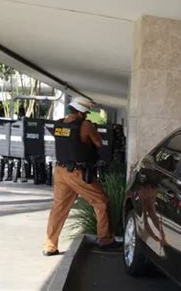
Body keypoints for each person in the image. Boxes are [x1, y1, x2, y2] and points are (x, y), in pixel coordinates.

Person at [43, 97, 122, 256]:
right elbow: (98, 144)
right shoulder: (85, 126)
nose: (86, 116)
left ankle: (50, 246)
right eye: (86, 113)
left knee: (58, 208)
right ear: (81, 112)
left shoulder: (59, 124)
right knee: (101, 202)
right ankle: (106, 240)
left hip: (60, 171)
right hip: (78, 173)